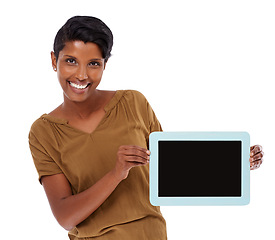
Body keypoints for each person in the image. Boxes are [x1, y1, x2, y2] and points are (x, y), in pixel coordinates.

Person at [28, 16, 264, 240]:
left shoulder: (133, 103)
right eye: (71, 61)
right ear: (53, 60)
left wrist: (232, 164)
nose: (81, 74)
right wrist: (116, 173)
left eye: (93, 64)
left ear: (104, 65)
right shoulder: (44, 132)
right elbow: (65, 217)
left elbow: (172, 172)